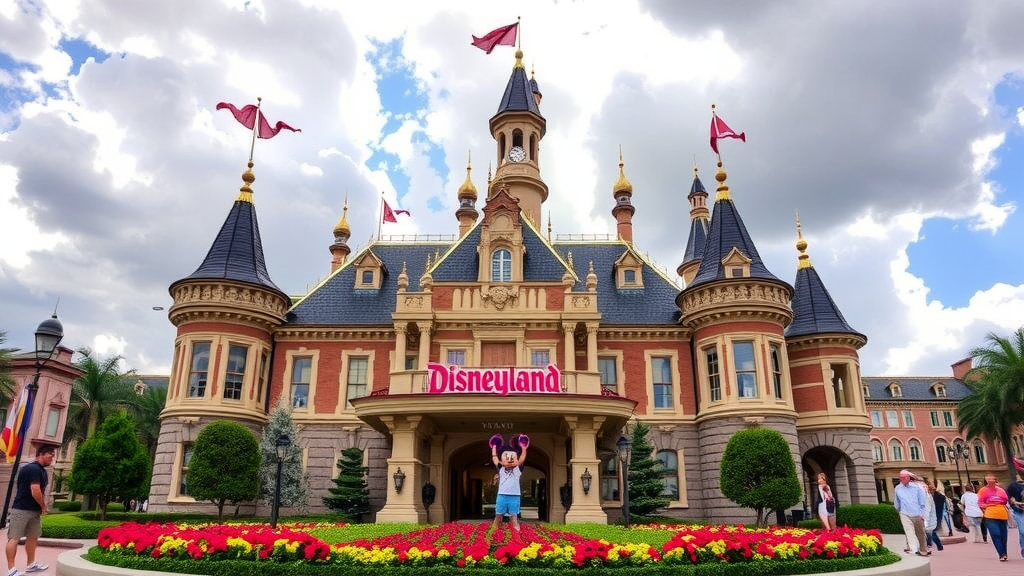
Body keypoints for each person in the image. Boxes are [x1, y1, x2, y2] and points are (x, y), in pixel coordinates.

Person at [5, 445, 56, 576]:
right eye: (50, 454)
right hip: (21, 509)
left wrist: (39, 508)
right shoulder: (32, 468)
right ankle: (11, 570)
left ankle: (31, 564)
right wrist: (44, 506)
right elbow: (35, 490)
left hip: (34, 510)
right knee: (14, 538)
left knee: (33, 537)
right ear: (41, 454)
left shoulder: (42, 471)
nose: (52, 457)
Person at [489, 433, 528, 532]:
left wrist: (523, 448)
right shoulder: (501, 468)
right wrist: (494, 447)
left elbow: (522, 457)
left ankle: (516, 540)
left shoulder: (518, 469)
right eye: (506, 457)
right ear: (502, 460)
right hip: (502, 496)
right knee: (498, 518)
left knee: (513, 518)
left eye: (512, 457)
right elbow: (495, 458)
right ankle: (493, 537)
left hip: (514, 496)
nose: (509, 459)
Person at [893, 469, 928, 556]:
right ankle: (913, 549)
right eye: (900, 478)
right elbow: (897, 502)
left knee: (920, 533)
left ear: (908, 477)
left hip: (918, 513)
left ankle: (923, 550)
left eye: (903, 477)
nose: (901, 479)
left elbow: (922, 502)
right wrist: (898, 510)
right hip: (904, 513)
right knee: (908, 532)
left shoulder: (917, 487)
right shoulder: (898, 488)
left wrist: (922, 514)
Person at [976, 472, 1009, 561]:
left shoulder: (1001, 490)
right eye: (988, 478)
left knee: (1003, 535)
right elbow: (980, 503)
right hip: (990, 515)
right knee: (995, 534)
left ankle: (1004, 553)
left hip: (1002, 514)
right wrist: (988, 506)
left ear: (995, 479)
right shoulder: (982, 490)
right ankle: (1001, 554)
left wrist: (996, 502)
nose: (990, 480)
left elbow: (1005, 500)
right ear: (985, 480)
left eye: (992, 478)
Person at [1008, 472, 1024, 558]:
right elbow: (1010, 499)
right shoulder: (1012, 486)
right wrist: (1013, 502)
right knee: (1022, 531)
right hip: (1019, 511)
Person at [924, 482, 944, 551]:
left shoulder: (931, 497)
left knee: (930, 531)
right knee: (931, 531)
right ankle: (937, 545)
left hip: (932, 516)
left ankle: (930, 544)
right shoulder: (939, 496)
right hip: (936, 515)